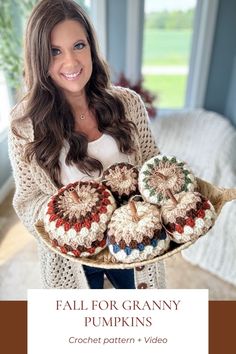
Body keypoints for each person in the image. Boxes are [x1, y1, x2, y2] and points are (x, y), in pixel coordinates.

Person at [8, 0, 165, 289]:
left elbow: (152, 166)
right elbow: (27, 200)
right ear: (38, 58)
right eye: (55, 52)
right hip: (72, 259)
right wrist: (66, 222)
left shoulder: (128, 104)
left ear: (91, 46)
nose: (71, 63)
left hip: (135, 243)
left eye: (79, 46)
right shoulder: (23, 125)